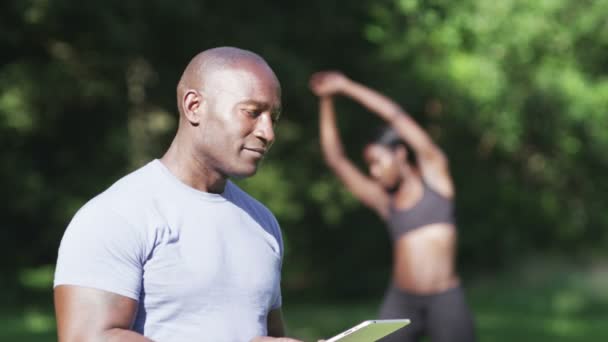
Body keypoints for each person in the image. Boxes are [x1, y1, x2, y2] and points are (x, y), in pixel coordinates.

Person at [53, 47, 302, 342]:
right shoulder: (116, 214)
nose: (268, 132)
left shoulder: (262, 223)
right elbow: (86, 338)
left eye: (273, 117)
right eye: (252, 112)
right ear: (194, 105)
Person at [309, 71, 475, 342]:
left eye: (377, 161)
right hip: (402, 301)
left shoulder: (436, 178)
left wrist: (347, 87)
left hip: (445, 300)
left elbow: (396, 116)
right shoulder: (385, 201)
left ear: (400, 153)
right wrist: (326, 100)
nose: (373, 172)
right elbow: (335, 159)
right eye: (369, 165)